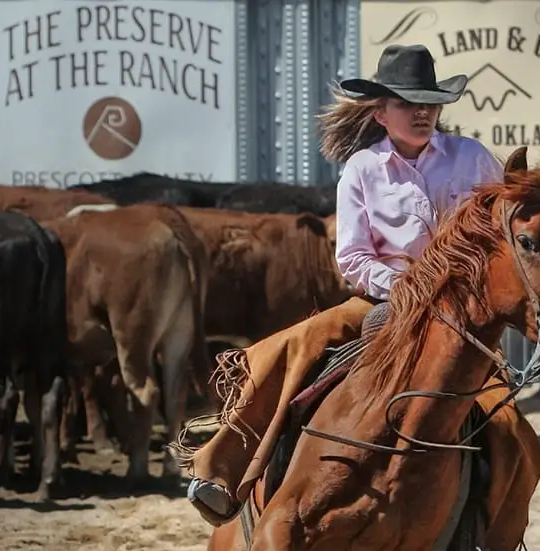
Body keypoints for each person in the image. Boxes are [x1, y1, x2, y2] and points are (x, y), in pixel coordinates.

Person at [185, 43, 504, 526]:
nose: (420, 112)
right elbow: (352, 258)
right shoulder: (362, 170)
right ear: (380, 113)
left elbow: (502, 234)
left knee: (508, 420)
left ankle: (506, 521)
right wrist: (407, 289)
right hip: (384, 300)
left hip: (462, 313)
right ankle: (222, 467)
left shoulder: (474, 158)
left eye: (428, 103)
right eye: (405, 103)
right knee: (301, 342)